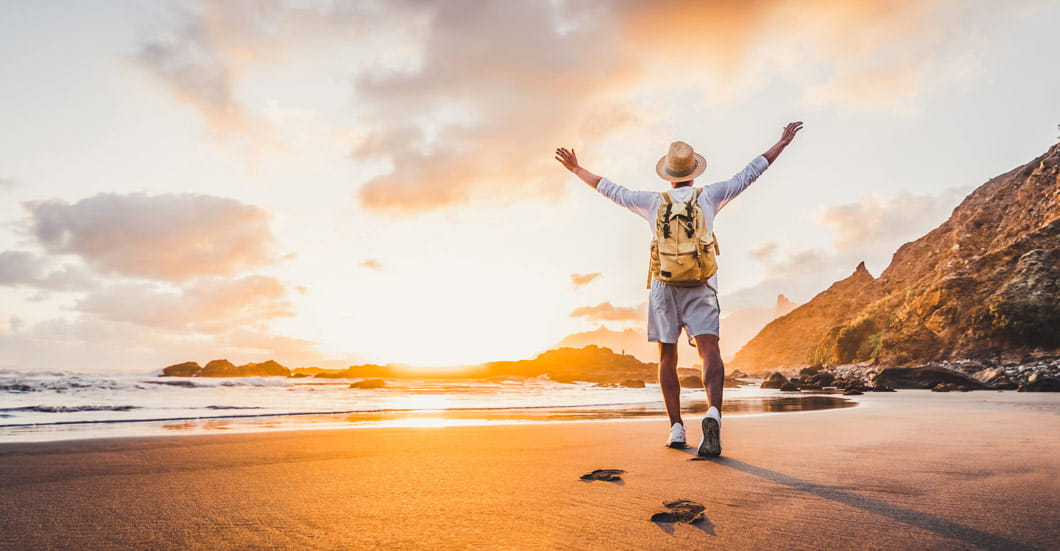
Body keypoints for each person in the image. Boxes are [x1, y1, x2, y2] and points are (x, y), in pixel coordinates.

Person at [554, 122, 803, 456]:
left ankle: (675, 428)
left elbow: (610, 189)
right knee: (709, 351)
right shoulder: (710, 196)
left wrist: (576, 168)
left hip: (664, 287)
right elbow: (750, 173)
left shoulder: (653, 202)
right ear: (694, 172)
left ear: (668, 175)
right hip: (701, 285)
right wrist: (781, 143)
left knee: (667, 356)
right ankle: (713, 412)